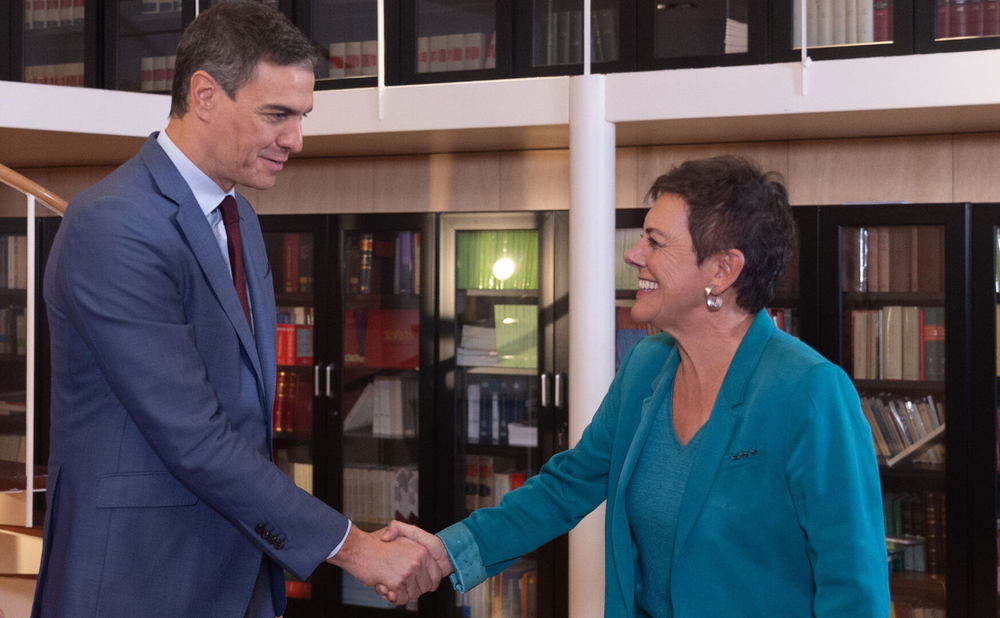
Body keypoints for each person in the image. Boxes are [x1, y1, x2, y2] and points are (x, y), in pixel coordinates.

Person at [32, 3, 440, 617]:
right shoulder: (115, 224)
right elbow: (195, 437)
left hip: (238, 574)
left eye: (301, 117)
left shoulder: (239, 217)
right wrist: (355, 549)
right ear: (204, 95)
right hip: (138, 582)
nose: (295, 140)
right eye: (277, 115)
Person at [381, 155, 890, 617]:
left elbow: (854, 590)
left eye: (655, 242)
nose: (633, 254)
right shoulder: (646, 364)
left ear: (722, 270)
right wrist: (446, 553)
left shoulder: (810, 391)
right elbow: (564, 487)